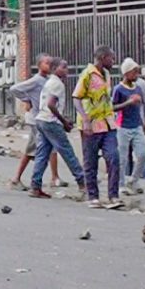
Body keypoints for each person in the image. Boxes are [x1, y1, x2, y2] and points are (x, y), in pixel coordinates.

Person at [72, 46, 123, 209]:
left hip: (108, 123)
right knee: (91, 161)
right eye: (111, 58)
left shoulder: (107, 75)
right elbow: (76, 98)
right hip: (91, 125)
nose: (113, 62)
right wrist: (85, 119)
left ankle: (113, 195)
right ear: (103, 58)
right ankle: (93, 196)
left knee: (113, 157)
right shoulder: (87, 74)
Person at [29, 58, 86, 199]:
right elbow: (51, 104)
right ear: (55, 69)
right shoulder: (57, 84)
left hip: (41, 120)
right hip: (50, 121)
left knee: (42, 154)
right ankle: (83, 182)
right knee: (67, 152)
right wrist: (64, 122)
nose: (67, 70)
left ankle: (35, 186)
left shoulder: (49, 82)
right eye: (64, 67)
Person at [7, 54, 64, 191]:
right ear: (39, 65)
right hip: (36, 119)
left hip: (44, 119)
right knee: (35, 149)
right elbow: (14, 89)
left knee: (47, 147)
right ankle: (17, 179)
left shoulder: (49, 80)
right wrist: (26, 99)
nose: (49, 65)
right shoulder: (36, 80)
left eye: (51, 63)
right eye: (46, 63)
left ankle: (54, 177)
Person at [113, 58, 145, 196]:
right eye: (134, 72)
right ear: (126, 73)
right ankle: (121, 184)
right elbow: (113, 107)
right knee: (122, 158)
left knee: (142, 155)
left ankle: (134, 180)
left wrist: (144, 122)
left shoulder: (138, 88)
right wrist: (128, 102)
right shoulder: (119, 89)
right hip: (123, 126)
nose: (137, 75)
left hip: (136, 126)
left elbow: (140, 107)